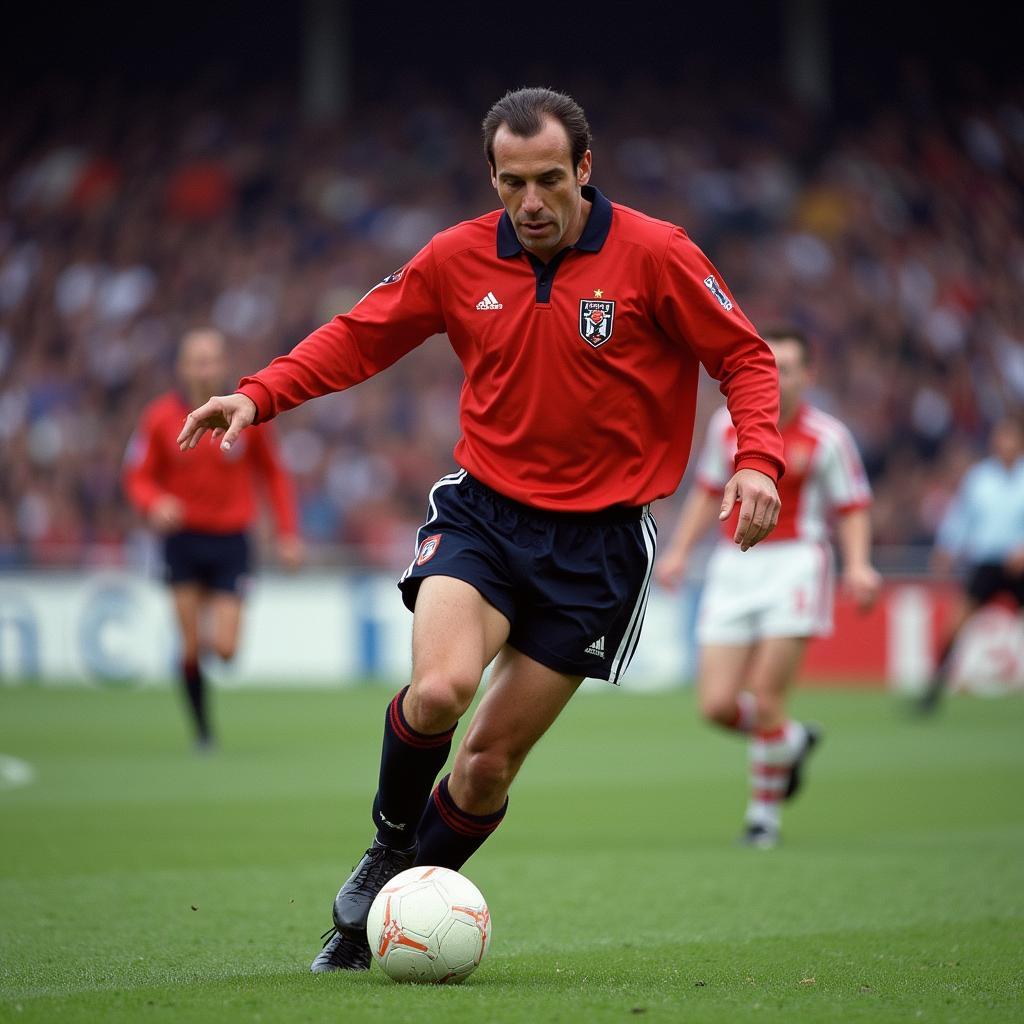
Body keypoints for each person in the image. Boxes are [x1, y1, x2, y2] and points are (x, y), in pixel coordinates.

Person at [174, 87, 785, 972]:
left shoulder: (657, 254)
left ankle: (377, 920)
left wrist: (758, 459)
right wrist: (259, 394)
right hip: (485, 514)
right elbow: (360, 337)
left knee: (488, 765)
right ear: (491, 177)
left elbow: (744, 356)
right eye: (510, 184)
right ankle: (388, 848)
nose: (530, 204)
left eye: (547, 180)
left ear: (584, 168)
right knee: (437, 694)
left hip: (601, 548)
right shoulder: (458, 257)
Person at [656, 328, 881, 848]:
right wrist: (680, 552)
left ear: (809, 375)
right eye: (770, 366)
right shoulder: (726, 426)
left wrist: (860, 565)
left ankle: (763, 819)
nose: (779, 379)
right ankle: (791, 741)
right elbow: (708, 490)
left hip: (795, 565)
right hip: (733, 566)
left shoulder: (827, 437)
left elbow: (852, 505)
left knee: (768, 695)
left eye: (790, 368)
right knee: (715, 704)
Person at [124, 327, 303, 749]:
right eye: (196, 360)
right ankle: (203, 732)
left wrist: (288, 533)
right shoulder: (158, 418)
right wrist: (154, 503)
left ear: (223, 365)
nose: (204, 368)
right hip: (182, 539)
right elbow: (137, 475)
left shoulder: (246, 413)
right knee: (189, 648)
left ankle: (203, 617)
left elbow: (274, 474)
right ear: (183, 368)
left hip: (231, 542)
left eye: (211, 359)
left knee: (224, 650)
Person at [918, 414, 1024, 713]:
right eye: (1001, 437)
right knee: (957, 624)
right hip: (986, 563)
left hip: (1019, 565)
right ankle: (932, 692)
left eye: (1011, 437)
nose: (1004, 444)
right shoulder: (980, 478)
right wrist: (946, 549)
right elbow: (961, 518)